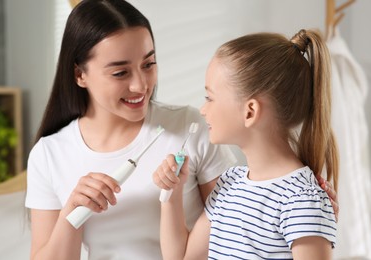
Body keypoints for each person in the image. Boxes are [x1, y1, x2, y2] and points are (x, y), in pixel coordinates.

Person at [24, 0, 338, 259]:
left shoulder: (193, 129)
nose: (140, 85)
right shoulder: (49, 154)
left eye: (149, 64)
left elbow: (244, 229)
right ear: (79, 74)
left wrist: (308, 210)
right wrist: (72, 213)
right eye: (120, 72)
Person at [154, 29, 338, 259]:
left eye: (210, 98)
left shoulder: (302, 200)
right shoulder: (229, 185)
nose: (203, 109)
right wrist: (172, 194)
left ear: (250, 111)